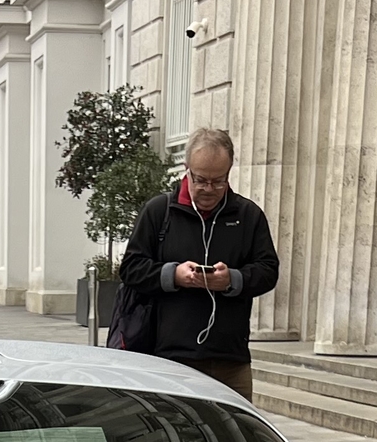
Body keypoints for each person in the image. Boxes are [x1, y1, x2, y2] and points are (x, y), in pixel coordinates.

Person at [117, 128, 279, 400]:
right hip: (168, 357)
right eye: (201, 179)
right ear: (186, 169)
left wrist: (232, 280)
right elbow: (131, 268)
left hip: (230, 359)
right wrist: (174, 275)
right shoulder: (160, 212)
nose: (208, 189)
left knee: (234, 439)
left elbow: (268, 270)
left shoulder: (248, 215)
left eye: (219, 181)